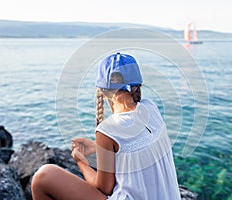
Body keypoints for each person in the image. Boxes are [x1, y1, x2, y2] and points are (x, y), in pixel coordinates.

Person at [31, 53, 181, 200]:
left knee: (43, 176)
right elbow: (135, 147)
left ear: (103, 91)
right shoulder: (151, 109)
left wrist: (81, 161)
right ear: (138, 84)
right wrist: (98, 147)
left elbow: (104, 189)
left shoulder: (108, 130)